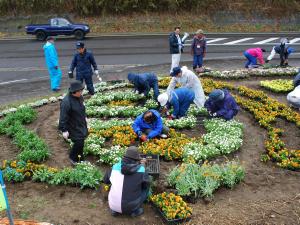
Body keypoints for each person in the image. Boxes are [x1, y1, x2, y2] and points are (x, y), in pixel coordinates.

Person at [103, 146, 150, 217]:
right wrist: (143, 166)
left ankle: (115, 210)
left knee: (113, 184)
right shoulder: (142, 170)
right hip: (131, 207)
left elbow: (106, 181)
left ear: (124, 157)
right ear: (137, 159)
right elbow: (145, 186)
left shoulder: (115, 167)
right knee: (146, 188)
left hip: (113, 205)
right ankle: (135, 211)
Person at [58, 81, 88, 165]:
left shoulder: (80, 97)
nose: (82, 92)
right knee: (79, 142)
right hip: (72, 125)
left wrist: (85, 117)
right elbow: (63, 117)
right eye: (80, 91)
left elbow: (82, 108)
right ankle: (72, 158)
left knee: (81, 141)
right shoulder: (66, 102)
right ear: (74, 92)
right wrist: (64, 130)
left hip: (80, 122)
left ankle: (80, 158)